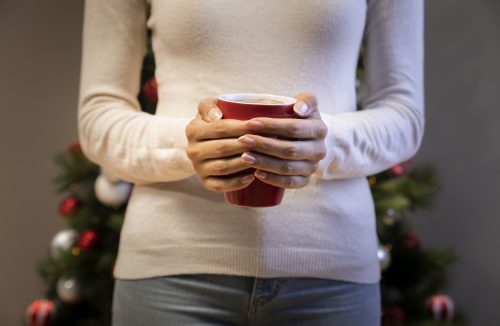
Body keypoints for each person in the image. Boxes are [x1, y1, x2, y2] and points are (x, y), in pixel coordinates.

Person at [77, 0, 424, 325]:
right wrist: (187, 144)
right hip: (170, 274)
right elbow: (98, 118)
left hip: (332, 277)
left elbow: (404, 115)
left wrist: (324, 141)